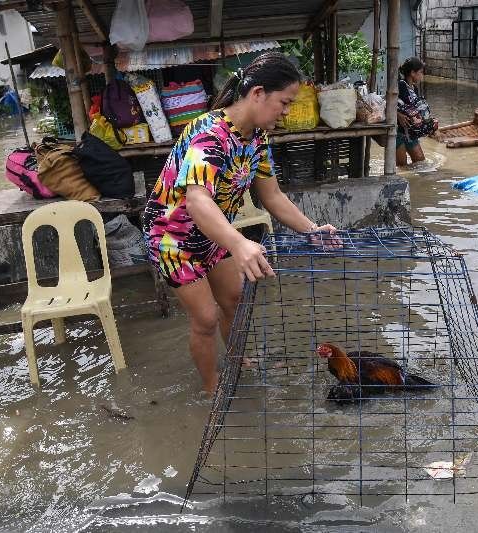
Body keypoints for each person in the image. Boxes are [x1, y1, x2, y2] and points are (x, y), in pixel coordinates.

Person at [143, 52, 339, 394]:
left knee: (234, 298)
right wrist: (239, 242)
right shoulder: (209, 135)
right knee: (204, 318)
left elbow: (273, 196)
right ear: (258, 93)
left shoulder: (257, 139)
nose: (288, 111)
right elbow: (197, 200)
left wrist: (311, 230)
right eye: (285, 102)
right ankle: (211, 387)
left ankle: (236, 360)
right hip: (172, 236)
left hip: (215, 231)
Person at [396, 57, 437, 166]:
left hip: (410, 132)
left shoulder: (414, 88)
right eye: (420, 72)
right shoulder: (400, 85)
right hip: (397, 131)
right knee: (402, 165)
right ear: (413, 73)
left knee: (420, 162)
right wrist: (398, 114)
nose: (422, 75)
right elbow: (387, 102)